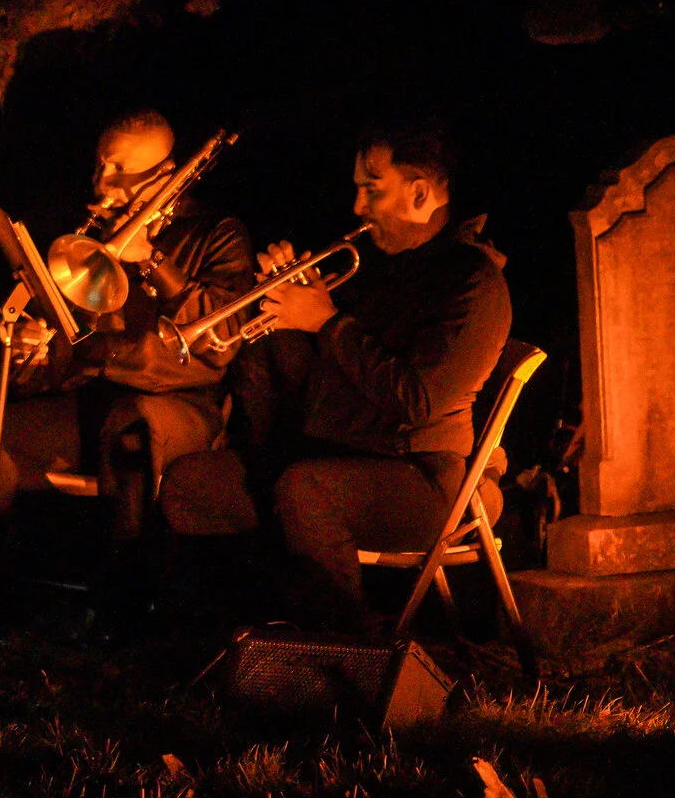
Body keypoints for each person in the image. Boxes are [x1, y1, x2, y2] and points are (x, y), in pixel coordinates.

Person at [159, 119, 512, 627]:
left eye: (373, 189)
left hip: (423, 478)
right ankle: (227, 636)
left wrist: (326, 321)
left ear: (419, 194)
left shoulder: (473, 282)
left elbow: (417, 401)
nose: (357, 206)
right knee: (190, 483)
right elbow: (317, 382)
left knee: (305, 490)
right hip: (334, 455)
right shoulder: (379, 269)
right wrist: (286, 308)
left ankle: (344, 649)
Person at [0, 110, 253, 532]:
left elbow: (222, 341)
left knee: (132, 434)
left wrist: (151, 260)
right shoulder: (85, 239)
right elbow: (68, 349)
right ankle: (28, 540)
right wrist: (35, 353)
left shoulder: (218, 233)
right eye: (101, 164)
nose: (103, 180)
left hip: (176, 401)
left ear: (164, 173)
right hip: (92, 399)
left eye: (120, 169)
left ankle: (121, 567)